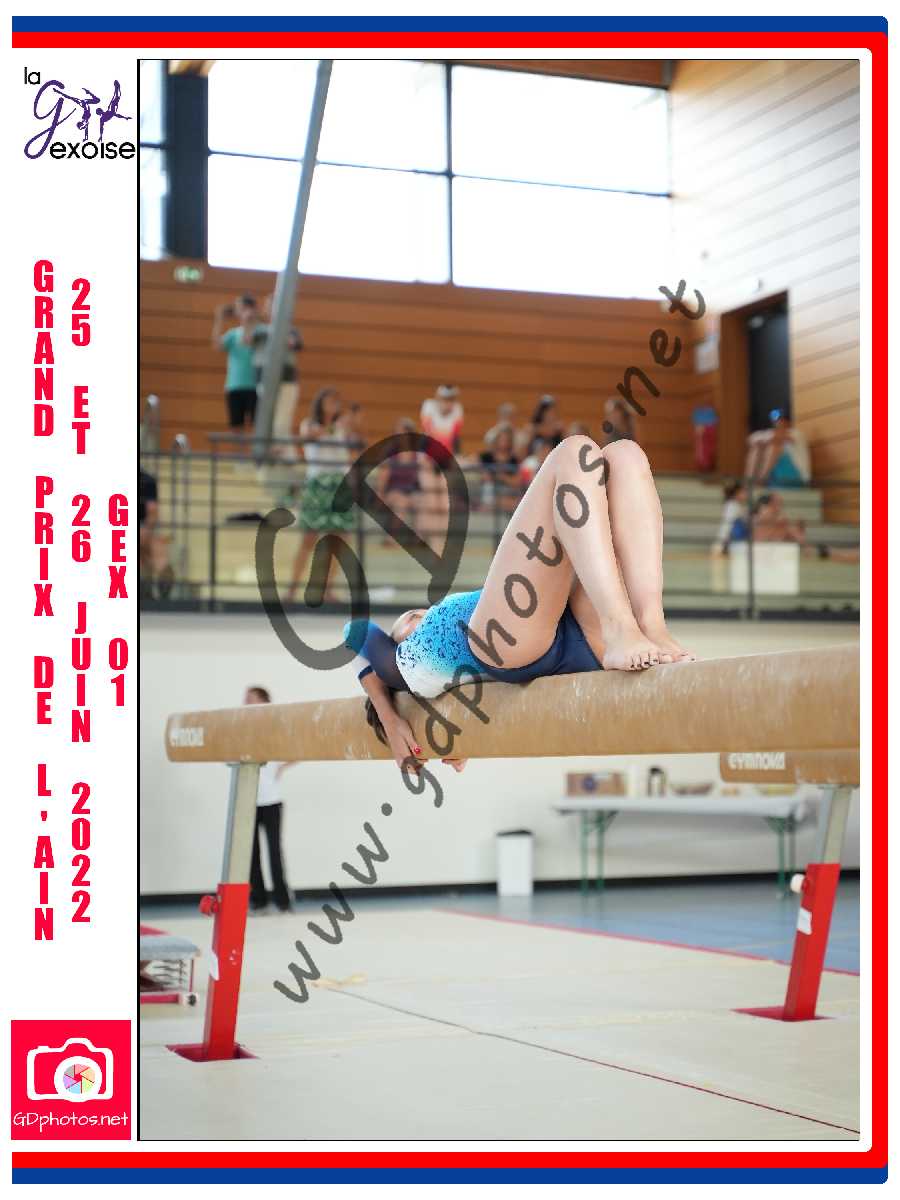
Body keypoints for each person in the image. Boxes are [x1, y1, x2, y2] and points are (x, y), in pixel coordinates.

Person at [343, 435, 695, 773]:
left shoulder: (455, 675)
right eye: (408, 621)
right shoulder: (405, 669)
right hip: (511, 643)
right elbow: (357, 631)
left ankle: (651, 626)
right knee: (575, 453)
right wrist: (389, 719)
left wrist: (461, 733)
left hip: (570, 628)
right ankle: (621, 627)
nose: (419, 615)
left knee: (624, 456)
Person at [287, 388, 356, 604]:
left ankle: (328, 589)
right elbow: (307, 438)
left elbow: (351, 453)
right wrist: (334, 427)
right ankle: (292, 589)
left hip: (339, 485)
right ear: (320, 404)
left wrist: (348, 429)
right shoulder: (309, 424)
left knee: (339, 539)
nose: (333, 405)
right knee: (309, 538)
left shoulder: (342, 427)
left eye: (336, 401)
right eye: (329, 401)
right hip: (318, 486)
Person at [243, 687, 296, 914]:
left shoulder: (273, 726)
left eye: (250, 698)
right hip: (248, 802)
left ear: (264, 701)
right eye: (245, 699)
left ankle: (283, 901)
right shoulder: (241, 728)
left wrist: (282, 767)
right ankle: (259, 901)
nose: (245, 702)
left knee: (275, 852)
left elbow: (299, 749)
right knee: (251, 854)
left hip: (272, 801)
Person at [252, 292, 304, 460]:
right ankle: (277, 457)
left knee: (281, 424)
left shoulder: (291, 330)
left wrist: (285, 337)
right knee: (269, 423)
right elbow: (248, 339)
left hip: (287, 382)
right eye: (271, 305)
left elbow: (295, 343)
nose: (274, 309)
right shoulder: (260, 330)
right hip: (264, 381)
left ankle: (289, 459)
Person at [212, 295, 263, 444]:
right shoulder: (233, 333)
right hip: (234, 385)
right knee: (236, 427)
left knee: (257, 426)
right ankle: (239, 456)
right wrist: (219, 320)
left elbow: (247, 341)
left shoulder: (262, 331)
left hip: (255, 386)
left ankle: (257, 455)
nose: (237, 311)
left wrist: (248, 322)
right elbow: (217, 345)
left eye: (240, 308)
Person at [744, 411, 811, 487]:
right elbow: (751, 439)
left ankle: (761, 481)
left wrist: (764, 441)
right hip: (776, 477)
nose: (778, 423)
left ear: (788, 422)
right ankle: (749, 483)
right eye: (776, 420)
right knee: (757, 449)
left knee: (775, 446)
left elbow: (779, 438)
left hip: (798, 478)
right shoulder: (771, 433)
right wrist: (762, 443)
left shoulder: (796, 433)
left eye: (781, 420)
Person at [139, 467, 174, 597]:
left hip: (143, 528)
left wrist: (145, 531)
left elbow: (152, 512)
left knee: (154, 548)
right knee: (151, 552)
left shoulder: (147, 480)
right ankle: (147, 588)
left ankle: (148, 588)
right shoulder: (147, 479)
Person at [479, 424, 521, 512]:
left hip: (507, 492)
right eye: (501, 439)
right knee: (488, 486)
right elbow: (482, 474)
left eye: (506, 440)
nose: (503, 443)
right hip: (490, 491)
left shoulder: (514, 460)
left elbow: (516, 481)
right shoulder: (486, 457)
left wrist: (502, 477)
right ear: (496, 440)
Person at [712, 481, 748, 555]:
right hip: (730, 544)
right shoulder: (732, 506)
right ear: (736, 494)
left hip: (735, 541)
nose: (746, 494)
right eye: (744, 492)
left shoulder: (738, 506)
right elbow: (726, 526)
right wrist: (719, 546)